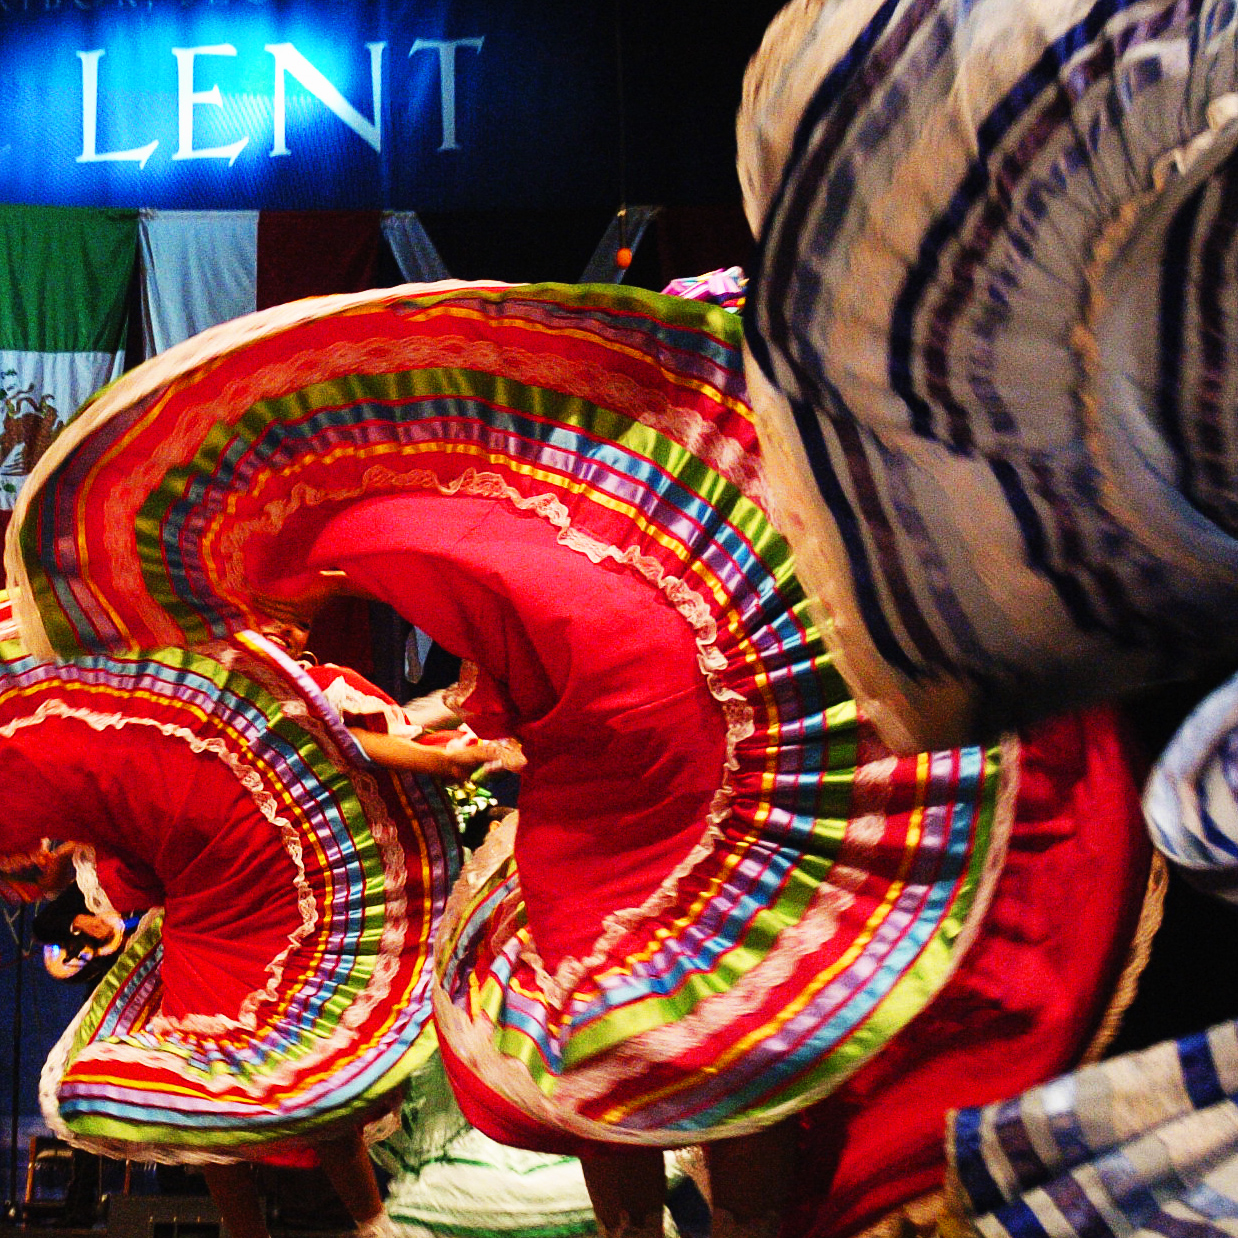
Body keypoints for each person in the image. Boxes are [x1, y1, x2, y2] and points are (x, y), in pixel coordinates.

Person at [5, 280, 1157, 1237]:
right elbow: (464, 715)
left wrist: (434, 733)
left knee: (677, 1052)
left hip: (654, 811)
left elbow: (465, 715)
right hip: (601, 827)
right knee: (665, 1052)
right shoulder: (435, 635)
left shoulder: (520, 609)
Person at [0, 615, 468, 1238]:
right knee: (203, 1099)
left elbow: (360, 741)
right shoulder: (188, 705)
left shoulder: (317, 690)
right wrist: (64, 862)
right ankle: (245, 1231)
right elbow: (125, 814)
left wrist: (439, 757)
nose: (289, 635)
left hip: (287, 918)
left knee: (319, 1089)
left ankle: (372, 1224)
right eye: (274, 623)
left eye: (300, 626)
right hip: (203, 923)